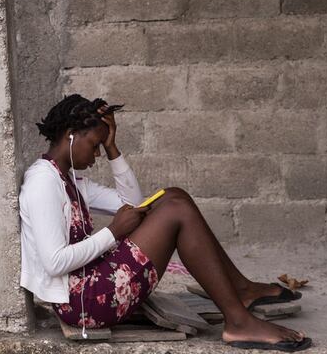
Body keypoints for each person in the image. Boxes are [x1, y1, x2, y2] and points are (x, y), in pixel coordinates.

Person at [19, 94, 311, 352]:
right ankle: (238, 320)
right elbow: (54, 262)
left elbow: (134, 203)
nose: (96, 156)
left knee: (174, 197)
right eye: (95, 146)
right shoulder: (42, 183)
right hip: (85, 302)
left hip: (91, 282)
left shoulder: (66, 177)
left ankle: (241, 292)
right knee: (176, 210)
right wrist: (113, 232)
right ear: (71, 135)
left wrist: (113, 148)